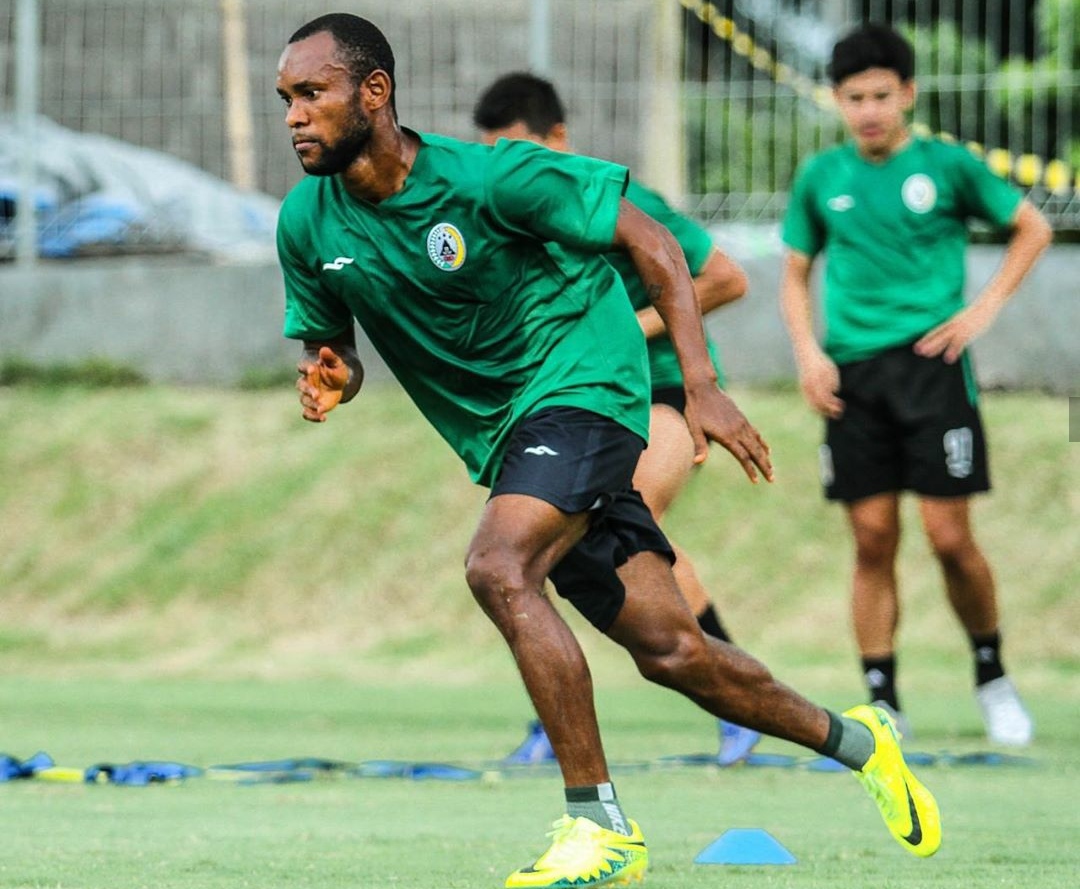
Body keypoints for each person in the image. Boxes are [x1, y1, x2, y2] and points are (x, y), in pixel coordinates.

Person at [277, 14, 941, 887]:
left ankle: (599, 825)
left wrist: (699, 385)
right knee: (677, 654)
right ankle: (864, 743)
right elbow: (335, 348)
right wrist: (335, 378)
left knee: (498, 565)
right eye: (286, 99)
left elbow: (655, 242)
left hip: (585, 386)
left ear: (374, 93)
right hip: (514, 436)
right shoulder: (304, 224)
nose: (294, 116)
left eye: (311, 94)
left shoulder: (492, 175)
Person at [472, 71, 761, 768]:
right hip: (579, 407)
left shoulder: (625, 199)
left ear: (558, 139)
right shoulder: (515, 214)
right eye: (495, 156)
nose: (510, 168)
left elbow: (725, 277)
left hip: (659, 396)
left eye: (519, 149)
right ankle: (721, 695)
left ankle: (727, 698)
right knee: (587, 541)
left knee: (598, 532)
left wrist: (622, 330)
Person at [779, 22, 1051, 747]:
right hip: (853, 376)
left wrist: (981, 309)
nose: (868, 109)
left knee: (949, 538)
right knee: (872, 538)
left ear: (908, 94)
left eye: (880, 95)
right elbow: (796, 273)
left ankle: (992, 674)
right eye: (853, 97)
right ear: (836, 100)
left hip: (933, 369)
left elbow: (1032, 227)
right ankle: (882, 696)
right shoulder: (821, 178)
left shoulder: (948, 165)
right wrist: (808, 352)